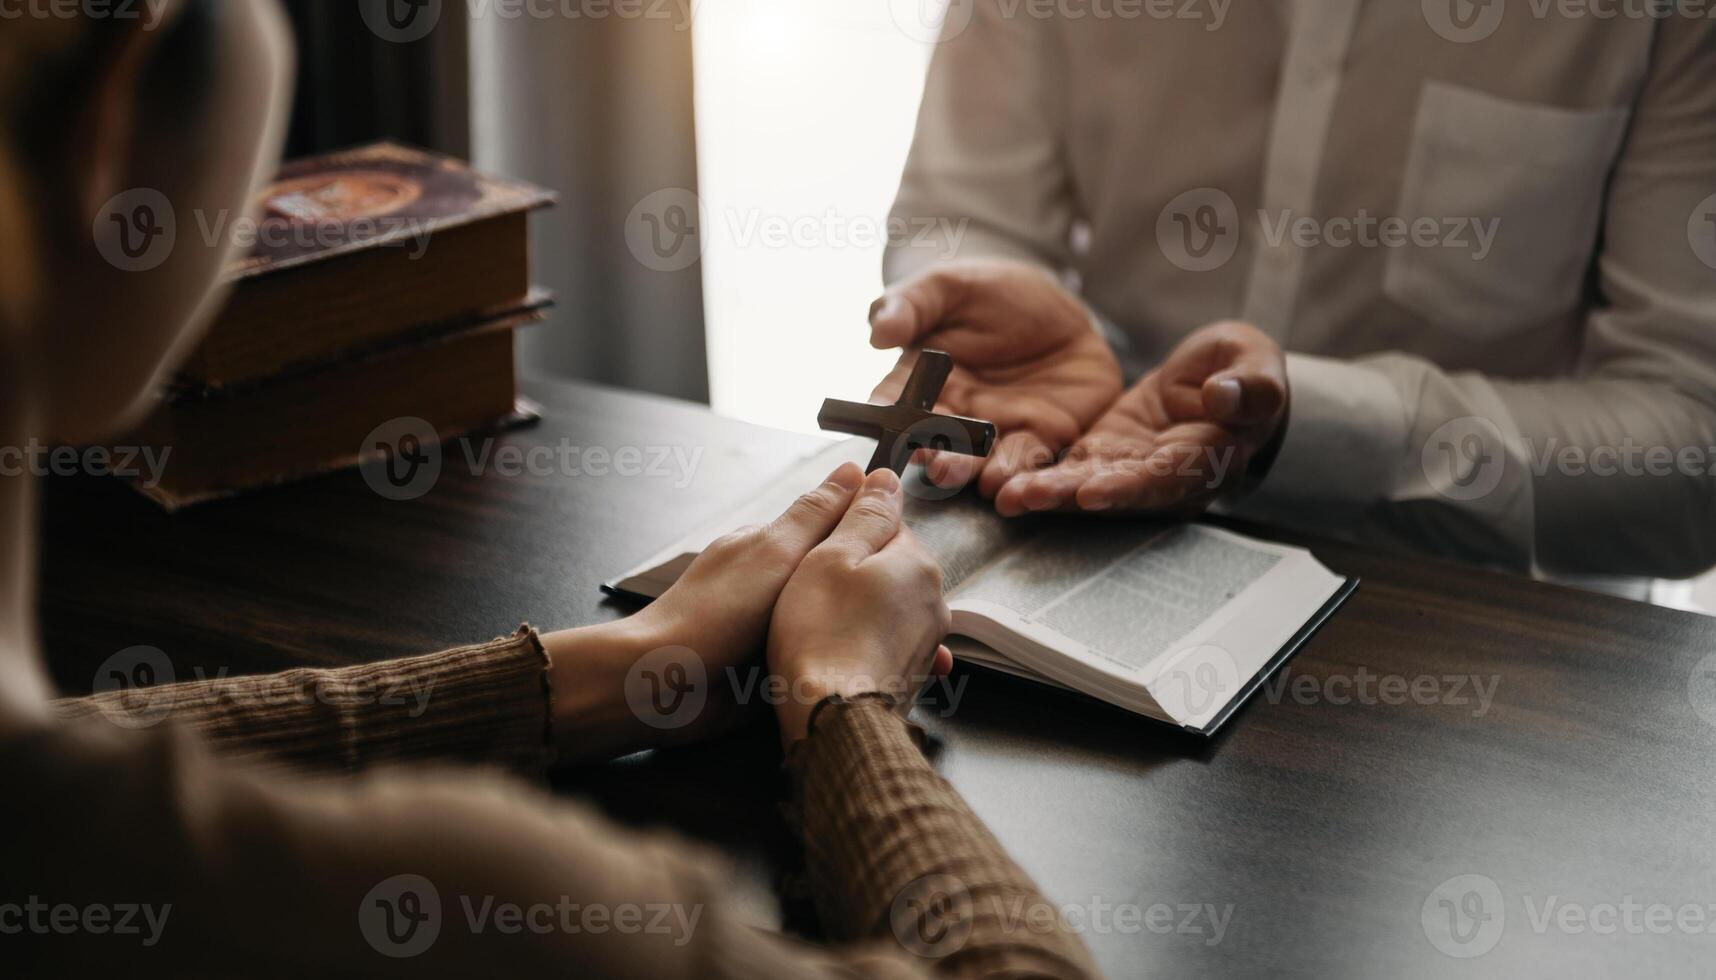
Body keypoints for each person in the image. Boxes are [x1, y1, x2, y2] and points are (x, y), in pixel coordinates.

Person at [0, 3, 1098, 977]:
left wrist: (606, 670)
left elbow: (79, 746)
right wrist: (842, 700)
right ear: (114, 113)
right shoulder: (495, 905)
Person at [871, 3, 1716, 591]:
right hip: (1074, 539)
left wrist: (1310, 424)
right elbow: (967, 216)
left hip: (1492, 631)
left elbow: (1692, 450)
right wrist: (1002, 315)